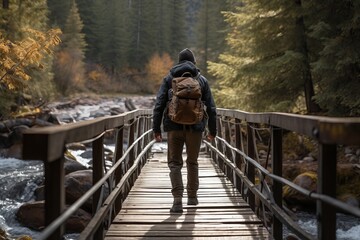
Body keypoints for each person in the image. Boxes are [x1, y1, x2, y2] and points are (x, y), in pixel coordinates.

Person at [152, 48, 217, 213]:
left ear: (178, 61)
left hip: (173, 127)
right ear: (194, 62)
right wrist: (212, 131)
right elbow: (211, 107)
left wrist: (156, 129)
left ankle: (177, 201)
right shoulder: (201, 80)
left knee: (175, 163)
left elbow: (159, 105)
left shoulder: (169, 78)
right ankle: (193, 197)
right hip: (196, 128)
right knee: (192, 162)